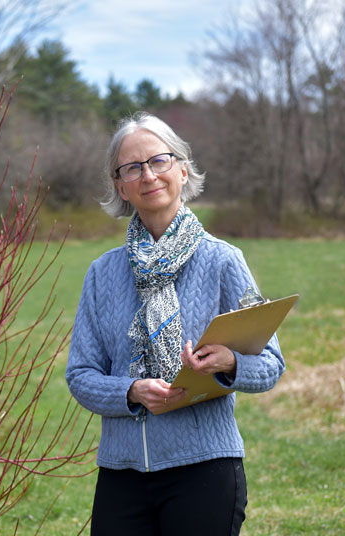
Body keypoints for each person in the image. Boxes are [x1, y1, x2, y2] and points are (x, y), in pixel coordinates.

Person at [65, 112, 285, 535]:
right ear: (120, 186)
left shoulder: (223, 260)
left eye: (159, 161)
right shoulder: (102, 273)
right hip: (122, 475)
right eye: (132, 167)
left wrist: (229, 362)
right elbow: (80, 375)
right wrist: (130, 390)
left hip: (204, 470)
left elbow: (272, 365)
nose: (147, 175)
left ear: (182, 170)